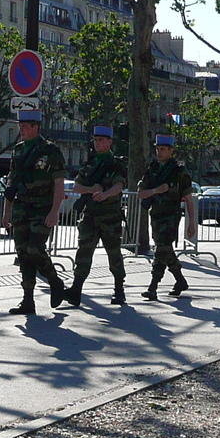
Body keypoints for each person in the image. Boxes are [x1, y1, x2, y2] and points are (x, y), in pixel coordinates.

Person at [2, 109, 66, 315]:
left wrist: (55, 211)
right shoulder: (18, 150)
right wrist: (6, 212)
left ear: (36, 127)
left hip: (42, 206)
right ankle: (27, 300)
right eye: (20, 126)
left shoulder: (50, 151)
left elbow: (59, 183)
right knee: (22, 253)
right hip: (22, 206)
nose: (21, 130)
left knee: (35, 249)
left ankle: (55, 281)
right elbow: (11, 182)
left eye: (25, 126)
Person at [65, 125, 129, 307]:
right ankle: (76, 289)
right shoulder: (89, 164)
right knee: (83, 252)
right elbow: (76, 186)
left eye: (102, 140)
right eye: (96, 140)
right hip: (90, 216)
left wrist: (106, 194)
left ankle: (119, 290)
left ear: (110, 142)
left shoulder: (116, 164)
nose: (98, 143)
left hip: (110, 216)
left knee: (114, 254)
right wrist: (91, 190)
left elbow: (119, 185)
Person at [136, 134, 197, 300]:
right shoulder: (153, 169)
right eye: (157, 148)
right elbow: (141, 193)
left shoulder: (179, 172)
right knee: (165, 249)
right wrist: (156, 190)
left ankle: (153, 286)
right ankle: (180, 280)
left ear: (171, 151)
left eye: (163, 149)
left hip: (171, 215)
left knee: (162, 248)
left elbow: (189, 200)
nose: (159, 152)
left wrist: (192, 224)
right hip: (155, 215)